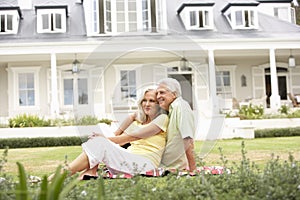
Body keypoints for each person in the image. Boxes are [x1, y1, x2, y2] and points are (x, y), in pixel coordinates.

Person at [48, 88, 168, 180]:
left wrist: (106, 139)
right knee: (103, 127)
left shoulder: (162, 118)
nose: (146, 104)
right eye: (144, 100)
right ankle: (91, 170)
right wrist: (114, 133)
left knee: (100, 141)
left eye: (152, 101)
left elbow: (132, 137)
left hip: (144, 163)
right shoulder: (143, 119)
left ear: (159, 104)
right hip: (130, 158)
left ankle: (60, 176)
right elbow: (132, 116)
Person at [156, 78, 196, 172]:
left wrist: (193, 170)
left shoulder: (181, 107)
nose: (158, 96)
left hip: (173, 168)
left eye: (162, 92)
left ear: (174, 94)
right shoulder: (171, 110)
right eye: (157, 93)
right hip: (165, 166)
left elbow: (188, 139)